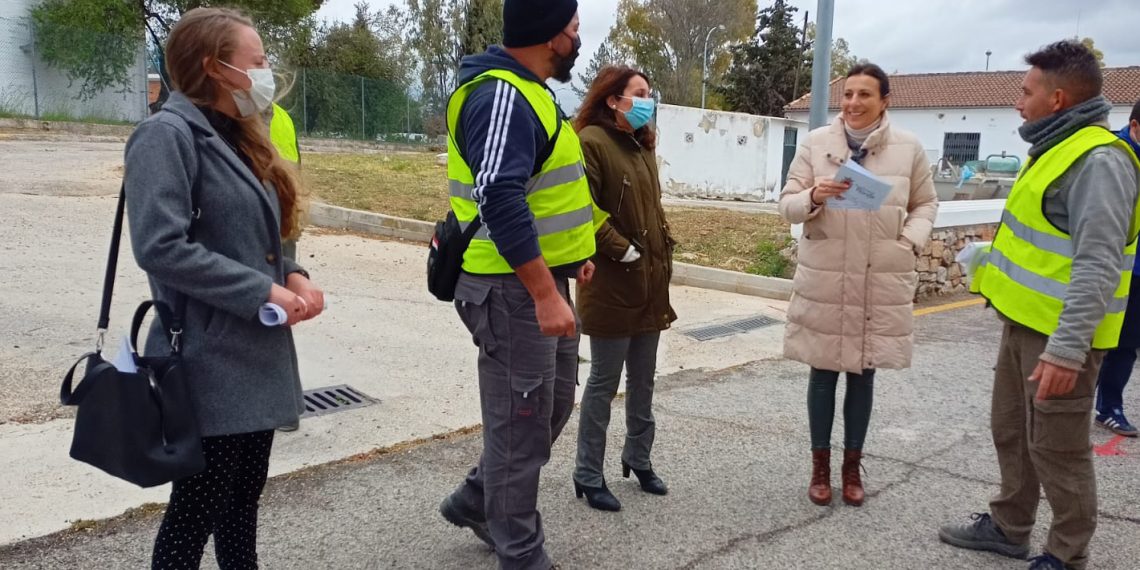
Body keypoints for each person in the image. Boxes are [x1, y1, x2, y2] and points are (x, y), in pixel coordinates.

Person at [122, 8, 325, 568]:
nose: (266, 73)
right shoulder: (166, 136)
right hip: (207, 361)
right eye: (256, 62)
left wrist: (292, 273)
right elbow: (160, 247)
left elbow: (264, 234)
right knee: (195, 514)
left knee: (241, 504)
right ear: (216, 68)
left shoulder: (236, 133)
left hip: (252, 355)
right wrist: (260, 292)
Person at [939, 40, 1140, 570]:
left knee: (1059, 448)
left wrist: (1068, 351)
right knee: (1012, 431)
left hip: (1060, 340)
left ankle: (1067, 553)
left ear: (1056, 99)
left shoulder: (1098, 161)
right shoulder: (1055, 147)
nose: (1017, 101)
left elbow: (1097, 266)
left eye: (1025, 91)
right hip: (1023, 326)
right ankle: (1009, 526)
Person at [435, 1, 604, 569]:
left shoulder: (530, 90)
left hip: (538, 280)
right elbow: (500, 196)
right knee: (522, 421)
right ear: (549, 35)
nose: (578, 39)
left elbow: (542, 189)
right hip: (510, 290)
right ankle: (521, 554)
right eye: (575, 29)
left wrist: (571, 258)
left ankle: (478, 499)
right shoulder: (502, 93)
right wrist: (542, 292)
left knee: (548, 406)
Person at [778, 62, 938, 508]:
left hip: (877, 273)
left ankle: (852, 468)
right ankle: (820, 469)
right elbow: (786, 205)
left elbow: (926, 202)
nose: (853, 103)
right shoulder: (815, 144)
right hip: (827, 274)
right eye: (848, 94)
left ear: (885, 100)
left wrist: (908, 242)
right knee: (823, 372)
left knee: (864, 374)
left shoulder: (909, 149)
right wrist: (812, 197)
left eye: (864, 94)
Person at [571, 66, 676, 512]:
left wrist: (659, 249)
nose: (648, 101)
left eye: (649, 93)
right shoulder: (591, 142)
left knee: (644, 381)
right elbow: (583, 209)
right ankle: (587, 473)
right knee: (603, 383)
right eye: (639, 93)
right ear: (613, 100)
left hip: (650, 284)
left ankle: (639, 457)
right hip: (613, 282)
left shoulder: (643, 146)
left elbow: (652, 209)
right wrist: (622, 250)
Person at [1092, 99, 1140, 438]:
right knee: (1098, 343)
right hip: (1118, 271)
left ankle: (1109, 406)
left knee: (1128, 344)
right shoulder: (1115, 158)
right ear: (1135, 126)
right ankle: (1089, 406)